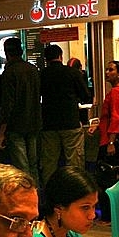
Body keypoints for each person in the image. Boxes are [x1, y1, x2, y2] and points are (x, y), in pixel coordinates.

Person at [38, 44, 90, 185]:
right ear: (61, 56)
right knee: (74, 163)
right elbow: (86, 96)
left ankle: (51, 194)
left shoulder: (42, 74)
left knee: (49, 163)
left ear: (46, 59)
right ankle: (75, 192)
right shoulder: (72, 73)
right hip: (70, 122)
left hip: (49, 124)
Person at [92, 61, 119, 222]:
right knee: (112, 180)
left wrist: (111, 142)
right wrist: (98, 125)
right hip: (115, 141)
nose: (107, 72)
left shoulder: (115, 92)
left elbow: (116, 117)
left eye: (111, 70)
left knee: (104, 181)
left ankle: (107, 218)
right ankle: (112, 216)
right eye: (106, 69)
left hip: (110, 142)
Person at [0, 37, 41, 182]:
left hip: (16, 125)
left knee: (22, 166)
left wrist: (2, 132)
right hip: (34, 123)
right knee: (33, 164)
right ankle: (37, 198)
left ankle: (27, 198)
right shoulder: (33, 69)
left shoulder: (9, 72)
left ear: (6, 53)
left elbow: (7, 104)